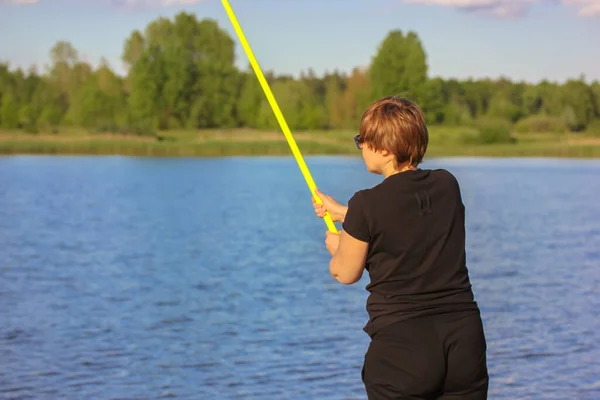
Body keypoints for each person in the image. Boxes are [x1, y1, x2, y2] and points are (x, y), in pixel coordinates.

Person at [311, 96, 489, 400]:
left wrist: (338, 244)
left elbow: (346, 272)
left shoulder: (366, 204)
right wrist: (343, 213)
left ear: (384, 148)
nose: (361, 147)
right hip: (463, 342)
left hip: (404, 350)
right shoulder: (447, 185)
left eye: (362, 140)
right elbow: (406, 218)